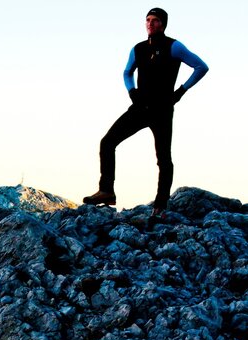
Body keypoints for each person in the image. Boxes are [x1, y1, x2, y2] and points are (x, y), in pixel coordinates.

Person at [83, 7, 208, 218]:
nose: (150, 23)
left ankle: (161, 204)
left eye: (155, 20)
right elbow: (127, 72)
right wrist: (132, 91)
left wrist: (180, 92)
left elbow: (201, 67)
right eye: (148, 20)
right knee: (108, 142)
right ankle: (106, 191)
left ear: (163, 24)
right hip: (140, 107)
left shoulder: (174, 47)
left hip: (162, 110)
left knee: (163, 158)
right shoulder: (138, 49)